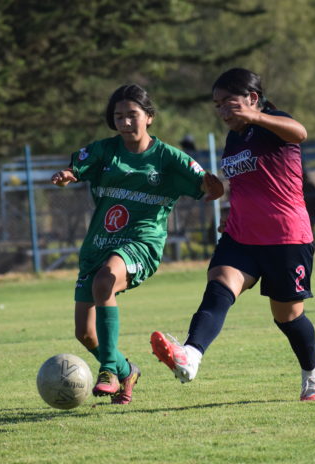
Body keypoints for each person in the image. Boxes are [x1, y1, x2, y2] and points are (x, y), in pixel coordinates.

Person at [150, 68, 315, 402]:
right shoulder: (235, 138)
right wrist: (232, 211)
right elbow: (247, 183)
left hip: (285, 236)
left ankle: (313, 370)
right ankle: (191, 355)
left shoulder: (275, 123)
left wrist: (258, 117)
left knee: (287, 316)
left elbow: (300, 133)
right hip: (242, 235)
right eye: (217, 106)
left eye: (227, 104)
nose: (221, 112)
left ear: (252, 99)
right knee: (218, 286)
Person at [51, 84, 223, 405]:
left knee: (105, 282)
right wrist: (69, 174)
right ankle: (127, 369)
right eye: (118, 116)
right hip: (98, 245)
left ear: (149, 118)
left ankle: (108, 371)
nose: (125, 122)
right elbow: (79, 166)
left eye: (133, 115)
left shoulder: (168, 158)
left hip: (141, 243)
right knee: (85, 333)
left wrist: (213, 187)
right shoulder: (105, 151)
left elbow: (207, 187)